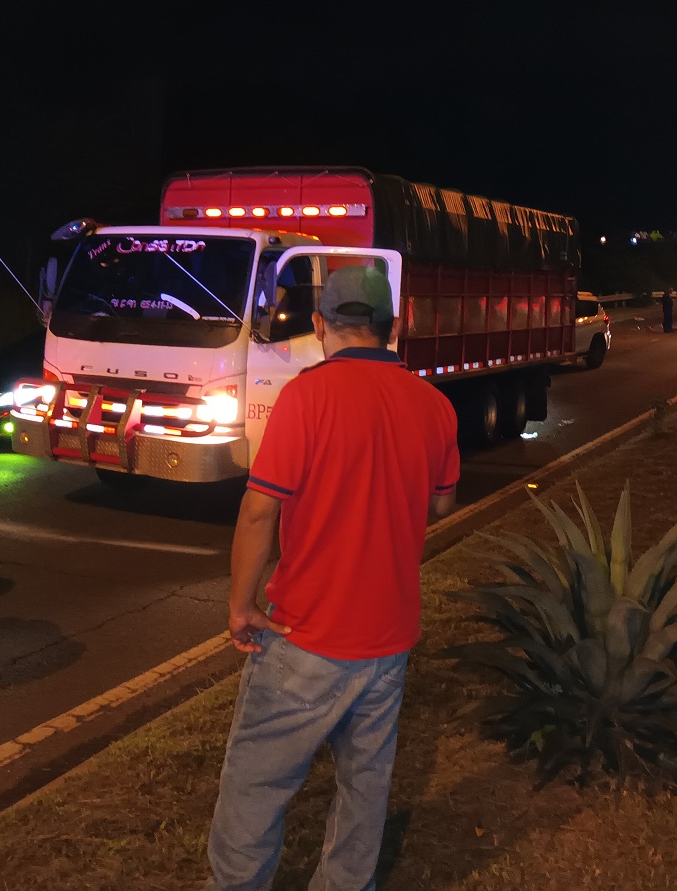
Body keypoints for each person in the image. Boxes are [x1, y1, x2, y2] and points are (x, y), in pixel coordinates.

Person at [204, 266, 460, 891]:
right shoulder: (435, 404)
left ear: (321, 326)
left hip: (305, 633)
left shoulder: (307, 397)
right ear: (392, 327)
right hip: (389, 639)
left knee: (256, 785)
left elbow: (260, 508)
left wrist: (241, 605)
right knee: (365, 787)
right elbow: (443, 503)